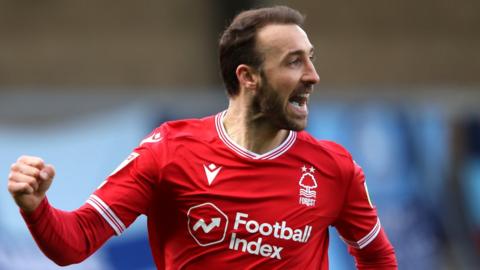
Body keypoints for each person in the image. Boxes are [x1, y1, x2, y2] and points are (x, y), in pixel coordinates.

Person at [7, 5, 397, 269]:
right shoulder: (169, 152)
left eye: (311, 58)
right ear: (248, 77)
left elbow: (378, 258)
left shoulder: (334, 168)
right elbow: (75, 241)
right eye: (295, 61)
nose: (312, 75)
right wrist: (36, 207)